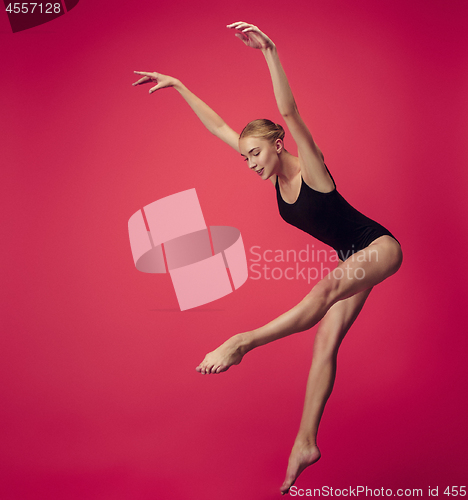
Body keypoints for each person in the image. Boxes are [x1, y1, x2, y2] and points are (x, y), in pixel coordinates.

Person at [132, 21, 403, 495]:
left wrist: (269, 52)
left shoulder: (312, 168)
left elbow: (289, 110)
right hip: (352, 258)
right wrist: (178, 87)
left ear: (278, 145)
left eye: (255, 153)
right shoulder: (272, 177)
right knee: (325, 340)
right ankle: (305, 443)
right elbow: (219, 126)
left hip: (379, 247)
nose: (251, 162)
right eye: (245, 158)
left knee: (323, 290)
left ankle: (241, 342)